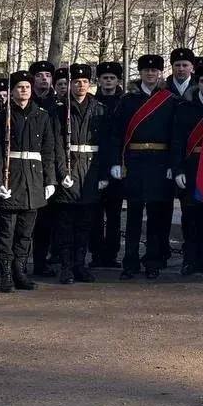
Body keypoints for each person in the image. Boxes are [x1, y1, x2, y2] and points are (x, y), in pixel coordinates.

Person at [112, 53, 177, 280]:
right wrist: (117, 162)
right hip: (135, 162)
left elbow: (175, 136)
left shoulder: (169, 100)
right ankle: (129, 261)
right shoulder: (128, 101)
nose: (151, 74)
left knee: (156, 216)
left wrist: (172, 164)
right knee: (133, 215)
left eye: (155, 70)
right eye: (146, 70)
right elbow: (117, 134)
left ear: (160, 73)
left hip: (160, 163)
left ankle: (152, 260)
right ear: (140, 73)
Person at [0, 70, 57, 292]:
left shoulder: (42, 115)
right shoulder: (2, 117)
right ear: (11, 91)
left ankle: (20, 271)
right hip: (12, 178)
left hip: (34, 180)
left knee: (25, 232)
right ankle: (6, 274)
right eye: (19, 87)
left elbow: (48, 150)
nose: (24, 90)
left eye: (27, 87)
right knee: (5, 232)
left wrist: (50, 181)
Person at [52, 64, 106, 284]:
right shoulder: (60, 109)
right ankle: (66, 267)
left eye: (84, 81)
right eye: (76, 82)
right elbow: (55, 143)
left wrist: (104, 173)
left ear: (90, 83)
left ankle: (79, 265)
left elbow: (107, 142)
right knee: (66, 223)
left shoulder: (99, 108)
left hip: (91, 170)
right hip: (70, 166)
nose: (80, 85)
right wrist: (62, 171)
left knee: (85, 223)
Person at [172, 62, 203, 276]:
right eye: (202, 81)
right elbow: (177, 142)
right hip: (191, 169)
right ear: (197, 83)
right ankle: (189, 260)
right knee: (190, 217)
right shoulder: (186, 109)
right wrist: (178, 169)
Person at [91, 61, 124, 269]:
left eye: (112, 78)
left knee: (114, 214)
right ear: (99, 80)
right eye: (105, 78)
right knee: (95, 213)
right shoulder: (93, 102)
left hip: (118, 164)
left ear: (118, 80)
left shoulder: (124, 102)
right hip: (95, 164)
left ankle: (111, 254)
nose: (108, 81)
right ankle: (96, 254)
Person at [26, 60, 58, 277]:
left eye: (48, 75)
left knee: (47, 221)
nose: (44, 78)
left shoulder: (58, 104)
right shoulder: (27, 102)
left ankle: (41, 261)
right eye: (39, 75)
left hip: (50, 166)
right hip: (27, 167)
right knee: (25, 220)